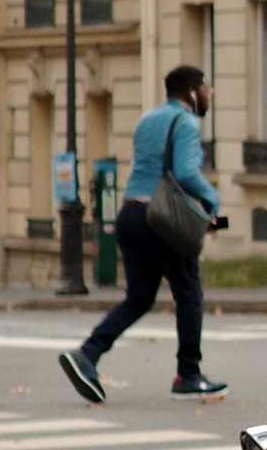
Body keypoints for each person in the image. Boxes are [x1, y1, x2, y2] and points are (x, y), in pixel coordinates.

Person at [60, 65, 227, 401]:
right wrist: (213, 201)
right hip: (160, 219)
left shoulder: (147, 120)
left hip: (130, 216)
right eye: (206, 89)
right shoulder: (186, 122)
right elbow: (185, 173)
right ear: (192, 92)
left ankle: (87, 354)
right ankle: (188, 374)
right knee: (189, 294)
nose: (208, 96)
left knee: (139, 297)